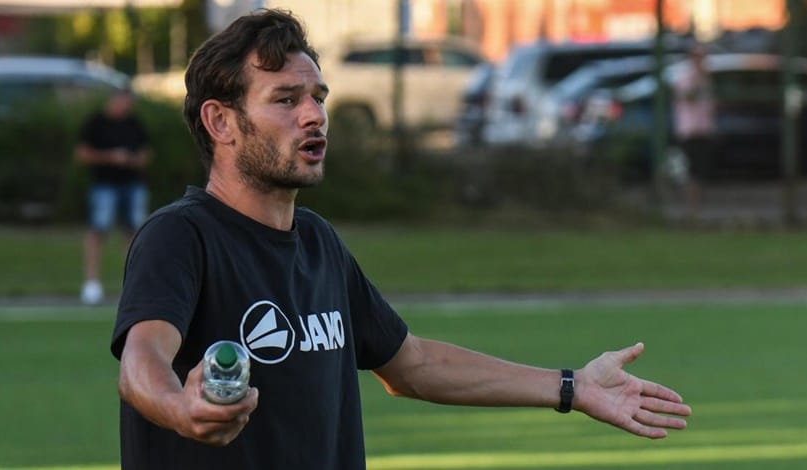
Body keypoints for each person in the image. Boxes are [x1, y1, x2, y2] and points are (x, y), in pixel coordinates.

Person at [110, 9, 691, 469]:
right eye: (286, 99)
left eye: (318, 98)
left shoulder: (318, 244)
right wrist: (179, 408)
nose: (314, 116)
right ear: (220, 122)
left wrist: (573, 387)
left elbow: (412, 363)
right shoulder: (181, 236)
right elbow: (142, 361)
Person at [76, 87, 152, 305]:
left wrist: (134, 160)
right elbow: (82, 153)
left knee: (134, 233)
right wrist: (110, 157)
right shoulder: (96, 123)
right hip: (104, 185)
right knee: (98, 230)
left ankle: (134, 285)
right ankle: (91, 283)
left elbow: (146, 152)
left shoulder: (134, 123)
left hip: (132, 184)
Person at [669, 45, 716, 218]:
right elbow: (688, 97)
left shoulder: (706, 79)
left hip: (704, 130)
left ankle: (697, 209)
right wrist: (698, 79)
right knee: (690, 171)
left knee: (702, 171)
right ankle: (691, 209)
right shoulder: (686, 78)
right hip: (689, 131)